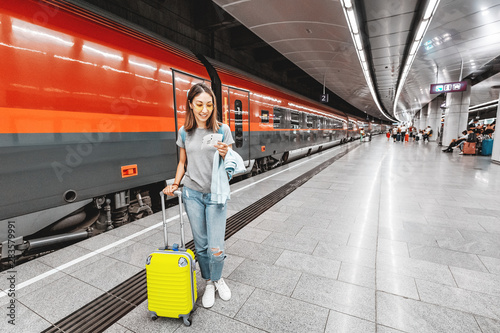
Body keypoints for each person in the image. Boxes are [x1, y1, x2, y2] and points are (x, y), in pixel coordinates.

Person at [163, 83, 235, 308]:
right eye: (200, 104)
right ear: (191, 105)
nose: (205, 109)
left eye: (209, 104)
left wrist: (226, 153)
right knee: (201, 245)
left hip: (215, 195)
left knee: (216, 246)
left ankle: (218, 278)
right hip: (192, 194)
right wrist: (175, 184)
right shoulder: (184, 132)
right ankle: (209, 282)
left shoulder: (223, 130)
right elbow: (183, 162)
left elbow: (231, 161)